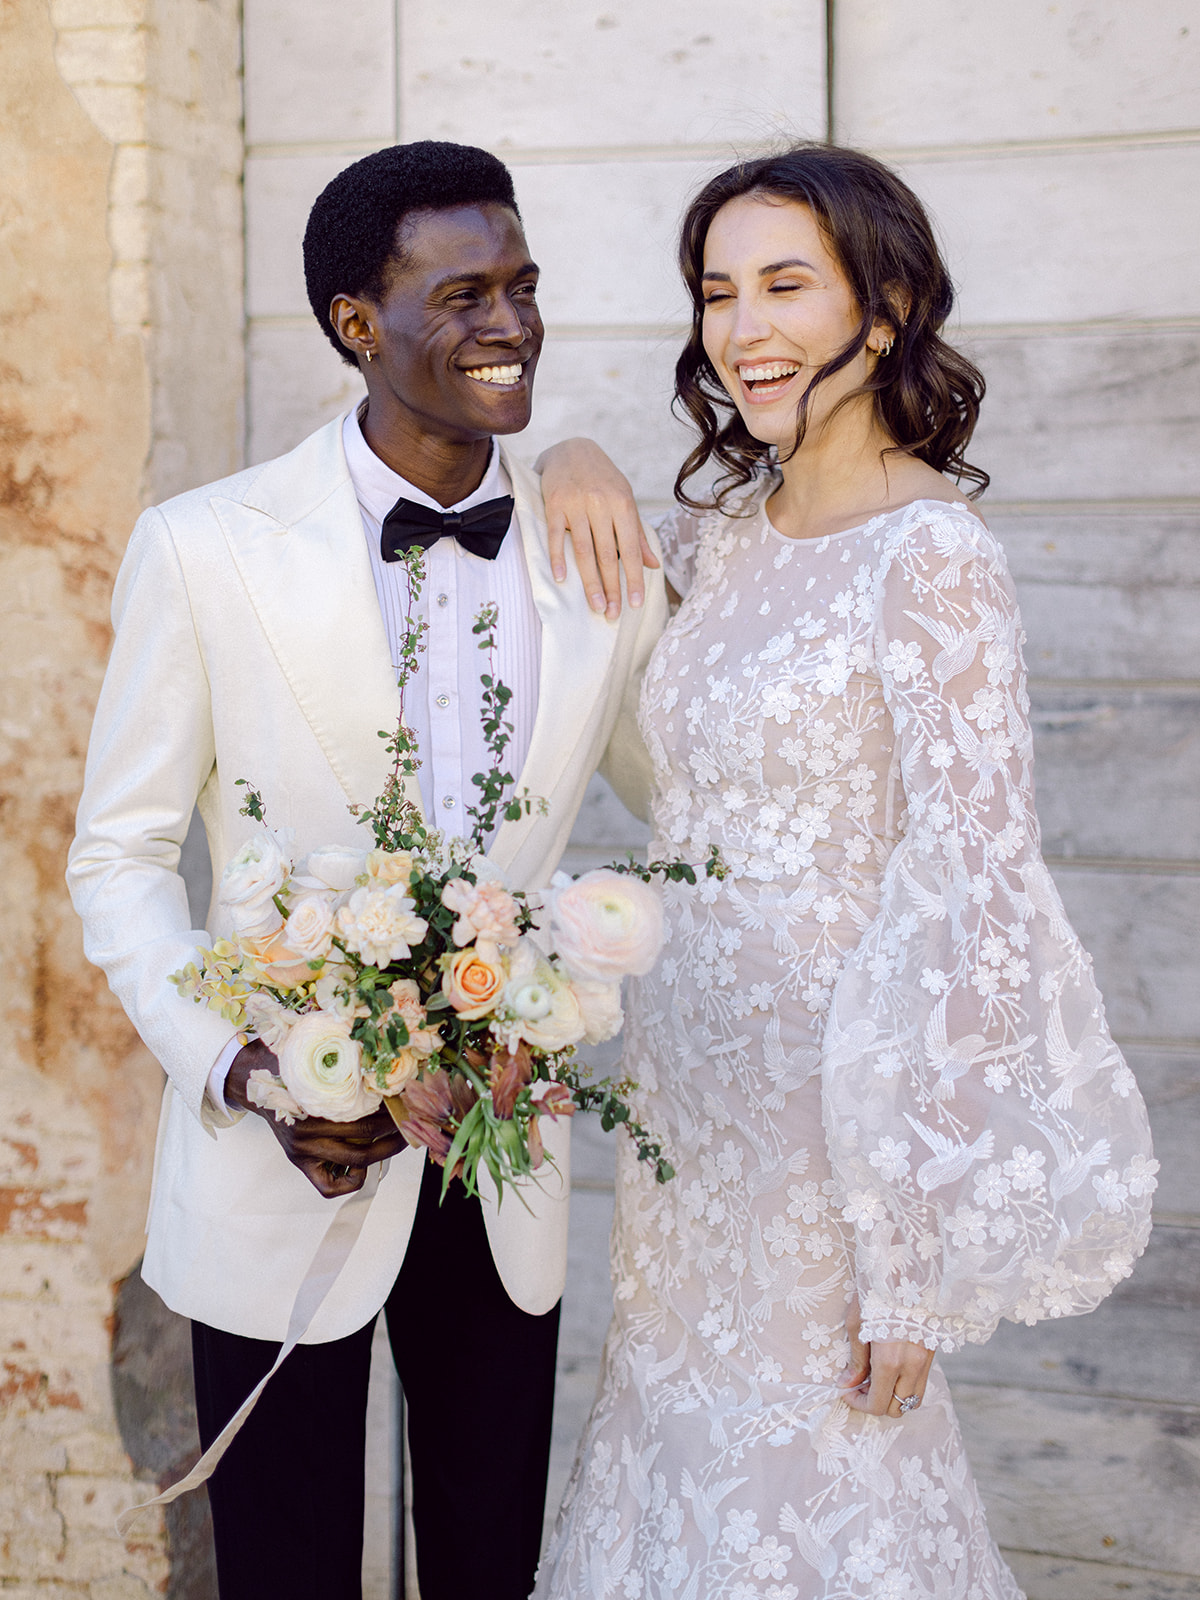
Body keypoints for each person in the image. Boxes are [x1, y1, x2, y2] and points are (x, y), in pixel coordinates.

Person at [532, 144, 1156, 1599]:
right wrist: (559, 451)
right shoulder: (726, 533)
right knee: (674, 1461)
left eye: (785, 287)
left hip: (834, 1136)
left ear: (882, 309)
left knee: (818, 1489)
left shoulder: (934, 556)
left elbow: (977, 910)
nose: (742, 328)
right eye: (717, 292)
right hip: (689, 1114)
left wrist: (915, 1258)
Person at [67, 140, 665, 1600]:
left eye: (522, 286)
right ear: (356, 323)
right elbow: (122, 855)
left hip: (502, 1163)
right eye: (462, 294)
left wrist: (587, 977)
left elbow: (706, 802)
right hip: (284, 1162)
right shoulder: (203, 549)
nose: (510, 322)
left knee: (484, 1570)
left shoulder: (601, 554)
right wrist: (246, 1069)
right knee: (283, 1578)